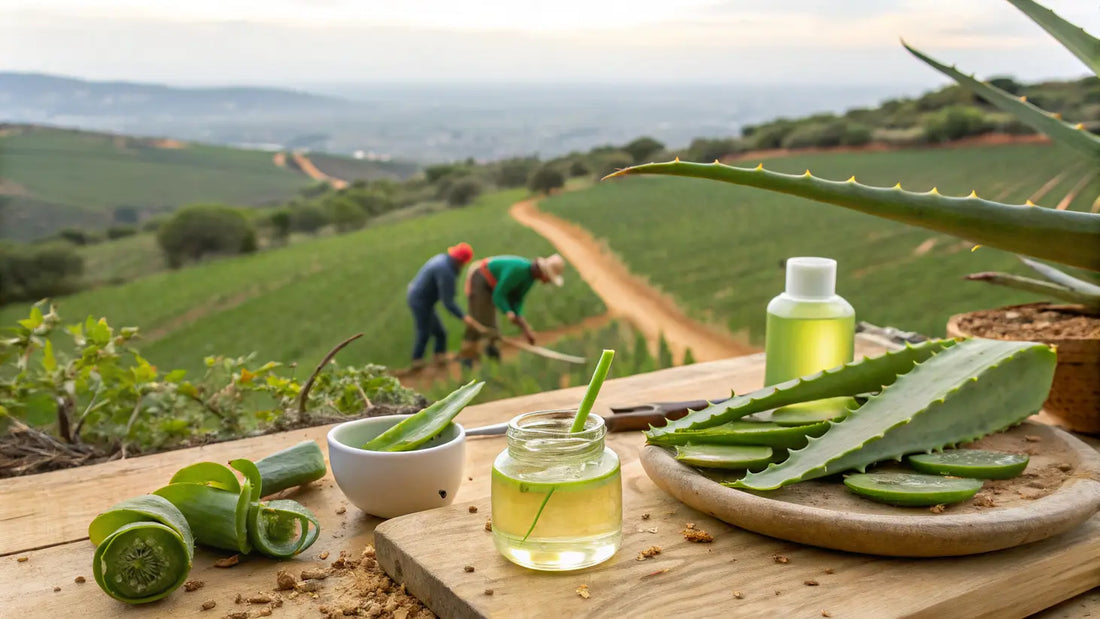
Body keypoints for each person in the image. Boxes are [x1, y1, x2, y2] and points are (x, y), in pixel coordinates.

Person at [460, 253, 566, 364]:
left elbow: (516, 300)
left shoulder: (530, 278)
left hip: (492, 285)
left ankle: (490, 354)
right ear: (544, 273)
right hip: (481, 279)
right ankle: (468, 357)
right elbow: (499, 295)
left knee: (491, 326)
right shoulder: (519, 270)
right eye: (549, 278)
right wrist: (508, 312)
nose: (547, 282)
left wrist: (524, 327)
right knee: (480, 321)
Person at [406, 242, 481, 369]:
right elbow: (448, 302)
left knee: (440, 333)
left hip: (421, 298)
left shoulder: (443, 260)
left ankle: (439, 357)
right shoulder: (446, 271)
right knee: (424, 332)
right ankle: (417, 362)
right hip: (419, 301)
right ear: (461, 262)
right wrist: (464, 318)